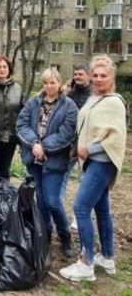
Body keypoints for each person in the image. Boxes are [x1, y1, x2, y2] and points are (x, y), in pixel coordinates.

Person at [60, 55, 127, 282]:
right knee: (101, 209)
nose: (99, 79)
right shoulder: (93, 99)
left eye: (103, 76)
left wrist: (89, 148)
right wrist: (77, 147)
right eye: (95, 75)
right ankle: (106, 257)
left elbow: (115, 138)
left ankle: (86, 262)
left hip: (102, 162)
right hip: (90, 161)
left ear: (111, 78)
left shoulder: (114, 102)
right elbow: (86, 126)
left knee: (80, 207)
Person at [17, 68, 77, 258]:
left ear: (59, 83)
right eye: (45, 83)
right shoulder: (34, 102)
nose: (49, 86)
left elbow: (67, 133)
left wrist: (45, 147)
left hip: (55, 159)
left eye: (52, 82)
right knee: (41, 200)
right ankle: (45, 234)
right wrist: (35, 144)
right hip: (34, 159)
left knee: (52, 200)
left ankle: (64, 234)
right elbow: (22, 124)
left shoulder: (69, 106)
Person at [63, 63, 92, 230]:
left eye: (81, 74)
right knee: (62, 177)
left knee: (84, 181)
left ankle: (78, 216)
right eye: (75, 74)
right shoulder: (70, 93)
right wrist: (65, 92)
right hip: (68, 142)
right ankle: (58, 211)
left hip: (85, 144)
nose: (78, 77)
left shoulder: (93, 94)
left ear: (88, 76)